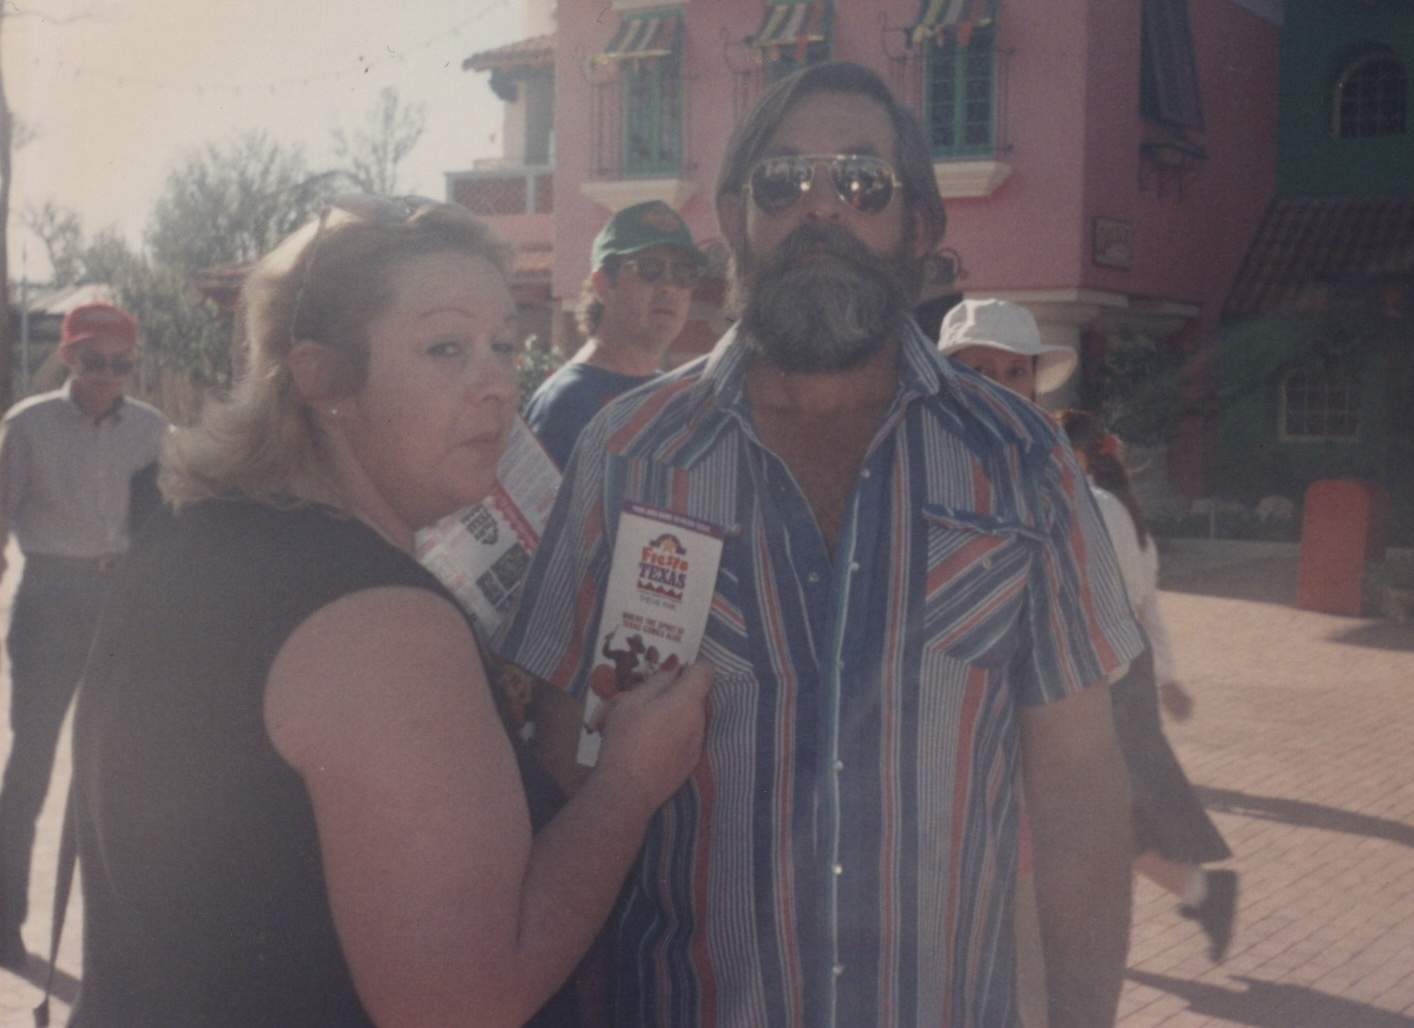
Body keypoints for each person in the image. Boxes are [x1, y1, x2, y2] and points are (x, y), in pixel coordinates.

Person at [499, 62, 1142, 1027]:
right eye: (781, 182)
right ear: (734, 216)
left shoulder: (1023, 464)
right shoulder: (628, 454)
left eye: (862, 183)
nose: (821, 210)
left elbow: (1083, 795)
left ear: (918, 228)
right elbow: (566, 759)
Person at [67, 197, 711, 1026]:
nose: (495, 382)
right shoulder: (378, 619)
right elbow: (462, 1004)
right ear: (321, 375)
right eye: (446, 347)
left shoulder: (198, 531)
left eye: (503, 345)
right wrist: (627, 783)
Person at [0, 301, 169, 969]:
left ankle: (121, 938)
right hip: (50, 597)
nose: (106, 375)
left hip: (121, 601)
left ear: (133, 363)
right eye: (92, 360)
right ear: (68, 358)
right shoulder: (27, 427)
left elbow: (168, 525)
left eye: (120, 362)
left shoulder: (156, 431)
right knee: (33, 765)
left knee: (122, 767)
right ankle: (4, 922)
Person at [1058, 408, 1238, 962]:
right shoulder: (1124, 512)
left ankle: (1196, 890)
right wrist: (1164, 677)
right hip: (1121, 671)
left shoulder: (1088, 507)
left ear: (1079, 454)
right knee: (1111, 807)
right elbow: (1147, 608)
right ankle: (1196, 889)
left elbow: (1094, 602)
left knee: (1092, 811)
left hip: (1095, 676)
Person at [523, 200, 706, 468]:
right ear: (603, 284)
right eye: (649, 267)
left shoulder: (673, 397)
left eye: (683, 273)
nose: (669, 286)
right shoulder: (566, 402)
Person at [938, 298, 1077, 404]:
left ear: (1033, 385)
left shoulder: (1050, 441)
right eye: (981, 371)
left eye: (1016, 372)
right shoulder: (927, 439)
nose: (1001, 386)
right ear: (949, 378)